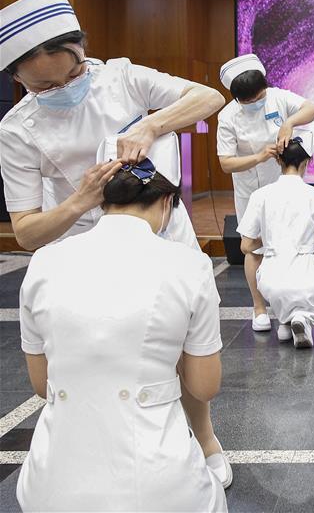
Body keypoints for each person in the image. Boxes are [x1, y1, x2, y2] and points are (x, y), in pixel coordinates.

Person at [0, 0, 233, 488]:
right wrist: (80, 201)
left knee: (185, 344)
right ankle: (104, 448)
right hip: (83, 247)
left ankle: (204, 437)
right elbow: (25, 231)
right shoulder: (17, 130)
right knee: (106, 352)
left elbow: (209, 97)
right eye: (44, 85)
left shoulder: (122, 77)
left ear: (82, 50)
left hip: (163, 233)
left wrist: (151, 124)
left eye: (72, 74)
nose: (63, 88)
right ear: (17, 78)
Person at [16, 134, 227, 512]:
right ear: (167, 203)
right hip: (160, 485)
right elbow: (204, 386)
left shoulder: (44, 262)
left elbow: (40, 383)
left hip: (52, 486)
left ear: (103, 201)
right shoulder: (190, 265)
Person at [216, 54, 314, 332]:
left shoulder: (277, 97)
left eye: (259, 96)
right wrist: (259, 157)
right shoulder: (227, 117)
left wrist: (289, 123)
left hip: (284, 185)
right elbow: (226, 163)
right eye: (249, 101)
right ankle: (259, 308)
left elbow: (313, 108)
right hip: (250, 191)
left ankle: (288, 310)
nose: (257, 102)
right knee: (254, 248)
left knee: (290, 244)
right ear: (237, 98)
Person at [237, 132, 314, 349]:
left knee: (280, 291)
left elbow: (246, 246)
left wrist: (267, 240)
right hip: (306, 279)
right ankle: (301, 318)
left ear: (279, 161)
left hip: (272, 279)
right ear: (306, 163)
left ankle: (286, 322)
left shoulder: (260, 195)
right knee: (307, 293)